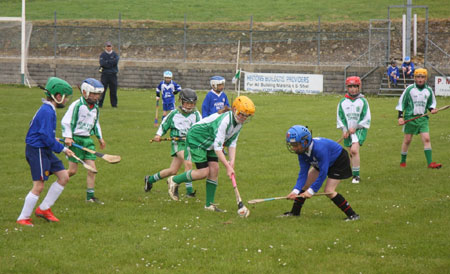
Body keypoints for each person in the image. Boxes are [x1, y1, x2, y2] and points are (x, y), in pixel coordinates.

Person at [167, 96, 255, 213]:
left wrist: (232, 160)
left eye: (246, 115)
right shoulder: (225, 121)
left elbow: (232, 142)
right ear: (234, 110)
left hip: (211, 141)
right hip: (197, 138)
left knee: (215, 169)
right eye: (241, 114)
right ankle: (174, 180)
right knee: (203, 172)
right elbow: (218, 148)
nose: (243, 118)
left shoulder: (239, 122)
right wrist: (228, 167)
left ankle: (209, 205)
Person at [16, 77, 75, 227]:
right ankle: (23, 218)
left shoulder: (48, 109)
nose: (66, 100)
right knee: (39, 186)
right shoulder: (47, 111)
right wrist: (63, 149)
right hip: (38, 150)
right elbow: (43, 136)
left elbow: (39, 129)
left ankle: (43, 209)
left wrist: (52, 137)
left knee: (63, 176)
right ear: (58, 96)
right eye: (65, 97)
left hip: (45, 148)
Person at [281, 125, 360, 221]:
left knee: (329, 191)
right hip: (321, 162)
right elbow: (303, 173)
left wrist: (311, 191)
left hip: (338, 162)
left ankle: (353, 215)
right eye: (292, 145)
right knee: (305, 185)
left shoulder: (319, 149)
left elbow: (323, 173)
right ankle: (294, 213)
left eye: (296, 145)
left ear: (305, 142)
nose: (294, 148)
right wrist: (295, 191)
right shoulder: (301, 152)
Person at [145, 88, 201, 197]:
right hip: (178, 143)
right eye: (187, 103)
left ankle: (150, 180)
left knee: (172, 170)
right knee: (188, 162)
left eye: (192, 103)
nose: (190, 105)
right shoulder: (174, 113)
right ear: (180, 101)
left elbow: (201, 127)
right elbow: (164, 124)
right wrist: (158, 135)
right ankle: (189, 192)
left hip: (189, 143)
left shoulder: (196, 114)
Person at [61, 78, 106, 204]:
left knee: (92, 169)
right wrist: (68, 137)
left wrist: (100, 138)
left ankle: (90, 197)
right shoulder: (77, 105)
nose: (97, 97)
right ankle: (55, 176)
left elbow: (95, 123)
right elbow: (66, 121)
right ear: (85, 92)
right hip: (75, 140)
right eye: (94, 94)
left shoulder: (95, 107)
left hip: (87, 141)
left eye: (98, 94)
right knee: (72, 171)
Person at [396, 68, 441, 169]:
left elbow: (430, 104)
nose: (420, 79)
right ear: (414, 78)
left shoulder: (428, 90)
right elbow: (402, 102)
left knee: (427, 139)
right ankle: (403, 161)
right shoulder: (409, 89)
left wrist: (432, 109)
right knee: (407, 140)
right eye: (418, 77)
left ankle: (430, 163)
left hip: (422, 118)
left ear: (426, 78)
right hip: (410, 117)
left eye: (422, 77)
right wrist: (400, 116)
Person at [337, 76, 371, 184]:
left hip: (359, 129)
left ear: (359, 87)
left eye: (355, 86)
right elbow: (340, 117)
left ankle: (356, 177)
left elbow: (366, 117)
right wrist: (344, 129)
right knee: (351, 153)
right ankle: (353, 173)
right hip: (348, 131)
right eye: (350, 86)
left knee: (354, 150)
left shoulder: (363, 101)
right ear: (347, 87)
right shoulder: (343, 102)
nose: (353, 89)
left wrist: (355, 127)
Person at [98, 41, 119, 108]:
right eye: (107, 46)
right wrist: (110, 63)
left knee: (113, 91)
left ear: (112, 47)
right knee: (102, 90)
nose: (108, 47)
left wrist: (107, 63)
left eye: (109, 46)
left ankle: (114, 105)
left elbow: (115, 62)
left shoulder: (115, 54)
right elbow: (102, 64)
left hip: (113, 75)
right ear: (105, 47)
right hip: (105, 75)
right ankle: (100, 104)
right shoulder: (102, 55)